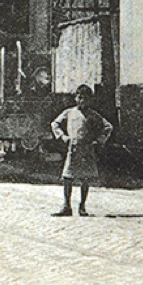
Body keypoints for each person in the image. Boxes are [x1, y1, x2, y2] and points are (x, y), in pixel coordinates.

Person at [50, 84, 113, 217]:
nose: (82, 101)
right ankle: (66, 206)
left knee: (85, 178)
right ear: (75, 98)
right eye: (80, 97)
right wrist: (63, 137)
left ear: (90, 100)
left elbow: (108, 127)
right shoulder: (69, 112)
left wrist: (99, 140)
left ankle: (82, 206)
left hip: (87, 150)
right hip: (72, 149)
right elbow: (55, 124)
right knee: (67, 178)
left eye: (85, 98)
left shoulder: (93, 115)